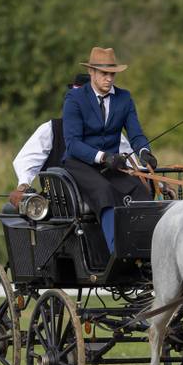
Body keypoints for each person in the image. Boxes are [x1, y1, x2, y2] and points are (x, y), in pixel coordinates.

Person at [62, 47, 158, 252]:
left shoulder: (124, 98)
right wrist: (103, 157)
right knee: (104, 191)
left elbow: (136, 134)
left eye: (112, 74)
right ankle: (117, 251)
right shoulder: (75, 99)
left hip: (112, 164)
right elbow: (73, 143)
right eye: (104, 74)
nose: (109, 79)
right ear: (92, 73)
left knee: (141, 190)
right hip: (80, 164)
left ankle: (146, 248)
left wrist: (144, 153)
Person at [7, 74, 137, 208]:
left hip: (103, 198)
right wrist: (24, 185)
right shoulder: (51, 129)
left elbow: (131, 164)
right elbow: (27, 160)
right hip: (61, 205)